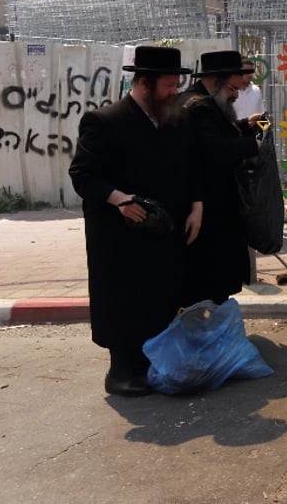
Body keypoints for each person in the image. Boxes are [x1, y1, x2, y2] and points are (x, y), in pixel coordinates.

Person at [68, 45, 203, 397]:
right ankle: (121, 370)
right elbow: (83, 175)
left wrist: (197, 205)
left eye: (177, 85)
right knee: (126, 301)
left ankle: (155, 362)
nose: (175, 92)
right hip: (121, 234)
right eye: (169, 86)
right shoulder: (105, 122)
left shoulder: (177, 118)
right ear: (144, 83)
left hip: (166, 228)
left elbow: (192, 165)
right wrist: (120, 201)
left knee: (162, 297)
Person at [179, 50, 262, 306]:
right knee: (210, 280)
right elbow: (214, 150)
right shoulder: (200, 107)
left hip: (212, 206)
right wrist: (252, 146)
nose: (236, 95)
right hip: (208, 208)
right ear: (215, 81)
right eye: (233, 89)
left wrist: (245, 125)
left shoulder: (202, 101)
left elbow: (218, 133)